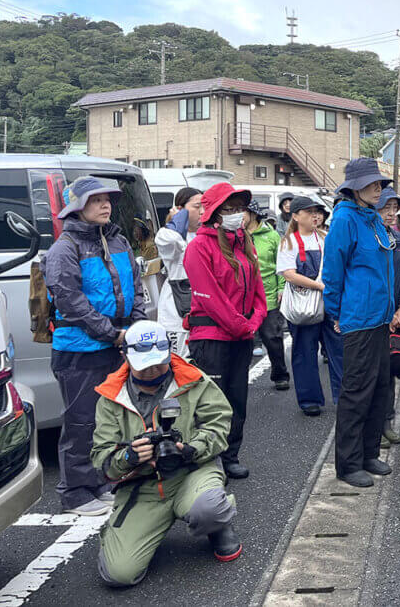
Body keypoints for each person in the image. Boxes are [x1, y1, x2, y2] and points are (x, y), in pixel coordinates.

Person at [91, 320, 240, 587]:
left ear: (170, 351)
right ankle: (136, 533)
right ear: (125, 355)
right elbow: (102, 459)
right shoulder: (110, 397)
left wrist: (192, 448)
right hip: (143, 487)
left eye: (158, 362)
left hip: (191, 472)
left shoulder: (194, 380)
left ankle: (217, 526)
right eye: (144, 363)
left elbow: (220, 425)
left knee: (210, 510)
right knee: (119, 575)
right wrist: (129, 457)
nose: (151, 370)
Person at [44, 175, 147, 516]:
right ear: (77, 206)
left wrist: (134, 324)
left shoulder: (118, 242)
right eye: (95, 200)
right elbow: (70, 301)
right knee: (80, 421)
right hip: (78, 348)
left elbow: (136, 285)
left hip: (114, 345)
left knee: (109, 421)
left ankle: (102, 481)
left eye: (107, 199)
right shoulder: (65, 248)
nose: (105, 205)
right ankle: (75, 492)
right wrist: (112, 332)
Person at [183, 183, 267, 480]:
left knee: (237, 399)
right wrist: (242, 325)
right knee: (211, 403)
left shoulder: (244, 242)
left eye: (238, 209)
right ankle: (210, 459)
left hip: (241, 335)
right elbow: (211, 297)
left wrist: (255, 320)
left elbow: (258, 290)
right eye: (228, 209)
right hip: (212, 337)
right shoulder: (199, 247)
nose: (235, 215)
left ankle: (230, 454)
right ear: (214, 214)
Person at [322, 158, 395, 487]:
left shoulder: (373, 220)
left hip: (379, 318)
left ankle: (368, 453)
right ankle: (348, 464)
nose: (378, 188)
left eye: (380, 183)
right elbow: (332, 273)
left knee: (380, 387)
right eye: (372, 183)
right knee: (356, 392)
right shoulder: (345, 220)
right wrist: (336, 313)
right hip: (358, 319)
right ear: (354, 188)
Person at [277, 197, 344, 414]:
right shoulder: (288, 242)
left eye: (317, 211)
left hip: (329, 303)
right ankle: (309, 400)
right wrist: (320, 286)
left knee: (339, 349)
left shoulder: (325, 237)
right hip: (305, 305)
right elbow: (289, 275)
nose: (316, 216)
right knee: (304, 352)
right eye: (309, 212)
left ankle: (344, 396)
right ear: (295, 216)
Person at [375, 187, 400, 446]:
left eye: (393, 208)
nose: (390, 214)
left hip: (396, 317)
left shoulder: (398, 240)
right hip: (372, 318)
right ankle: (373, 426)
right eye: (385, 208)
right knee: (371, 375)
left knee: (389, 371)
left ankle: (386, 422)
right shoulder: (368, 238)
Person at [247, 200, 290, 391]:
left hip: (268, 294)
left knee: (272, 337)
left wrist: (281, 288)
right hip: (243, 296)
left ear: (253, 214)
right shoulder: (235, 236)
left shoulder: (271, 236)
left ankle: (280, 374)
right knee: (243, 340)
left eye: (242, 211)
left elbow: (280, 265)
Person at [155, 187, 202, 358]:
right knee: (180, 362)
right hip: (177, 306)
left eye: (205, 206)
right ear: (180, 209)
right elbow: (170, 239)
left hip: (203, 304)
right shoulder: (168, 234)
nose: (202, 211)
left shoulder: (204, 234)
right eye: (197, 206)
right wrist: (179, 219)